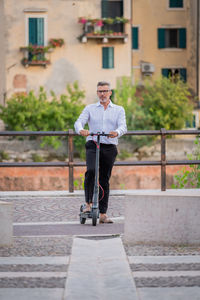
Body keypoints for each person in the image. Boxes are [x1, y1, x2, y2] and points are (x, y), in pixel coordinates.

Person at [74, 81, 127, 224]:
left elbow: (123, 126)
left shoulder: (118, 109)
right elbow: (78, 122)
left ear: (110, 92)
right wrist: (81, 130)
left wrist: (116, 132)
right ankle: (88, 204)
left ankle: (103, 213)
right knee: (91, 171)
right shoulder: (90, 108)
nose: (102, 94)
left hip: (109, 146)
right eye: (99, 91)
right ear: (97, 93)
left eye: (105, 91)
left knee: (104, 178)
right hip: (93, 144)